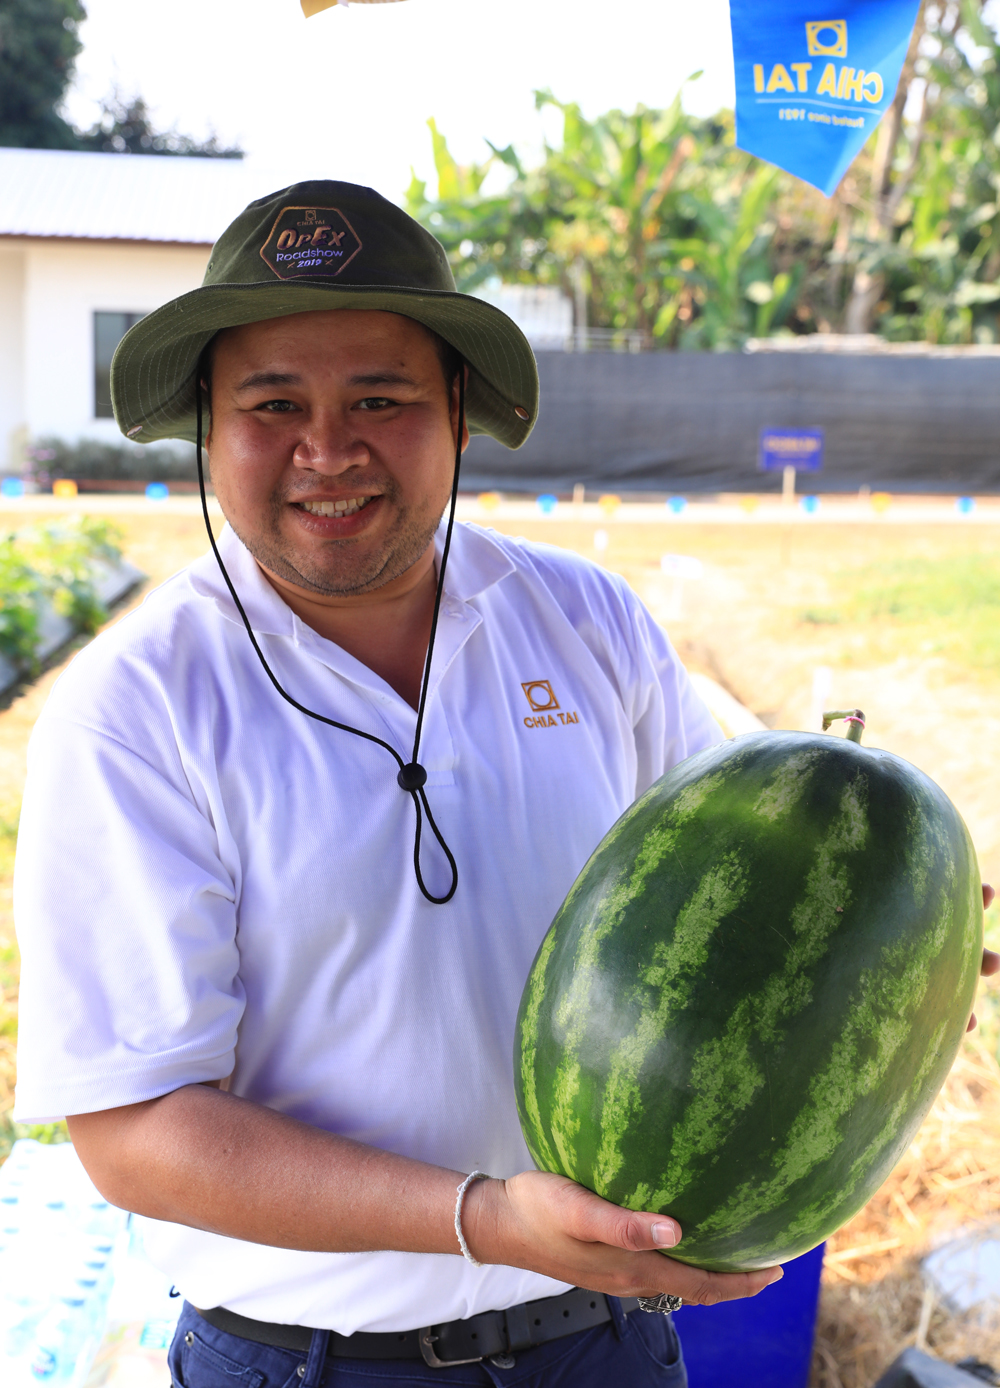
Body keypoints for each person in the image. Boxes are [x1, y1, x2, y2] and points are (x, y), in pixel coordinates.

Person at [11, 182, 996, 1388]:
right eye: (274, 405)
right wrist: (481, 1214)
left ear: (461, 414)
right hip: (313, 1363)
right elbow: (135, 1132)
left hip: (605, 1339)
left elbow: (753, 884)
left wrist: (901, 930)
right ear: (207, 430)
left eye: (382, 398)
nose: (329, 448)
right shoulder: (137, 711)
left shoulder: (585, 620)